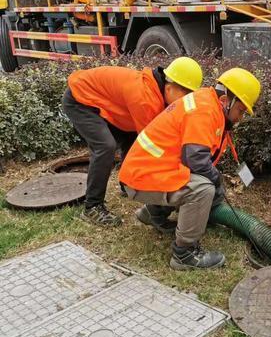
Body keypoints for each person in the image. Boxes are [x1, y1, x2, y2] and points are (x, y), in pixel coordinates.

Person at [119, 68, 261, 270]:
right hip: (141, 178)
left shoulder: (208, 103)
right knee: (202, 188)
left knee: (198, 180)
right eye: (241, 110)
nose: (241, 118)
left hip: (146, 173)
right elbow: (196, 160)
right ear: (225, 101)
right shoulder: (204, 110)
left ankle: (153, 213)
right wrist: (217, 181)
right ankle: (184, 254)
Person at [62, 57, 203, 227]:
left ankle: (127, 184)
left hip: (104, 102)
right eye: (185, 94)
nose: (186, 101)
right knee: (105, 147)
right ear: (169, 87)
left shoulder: (158, 90)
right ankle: (92, 206)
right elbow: (155, 145)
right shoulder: (146, 99)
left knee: (131, 136)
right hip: (80, 99)